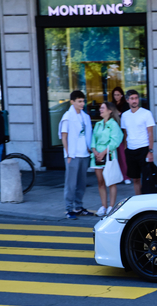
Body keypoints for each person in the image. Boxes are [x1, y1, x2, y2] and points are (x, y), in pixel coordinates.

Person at [59, 90, 93, 220]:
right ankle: (69, 209)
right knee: (71, 184)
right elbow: (64, 136)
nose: (82, 103)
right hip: (73, 155)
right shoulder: (67, 117)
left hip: (84, 154)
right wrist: (68, 154)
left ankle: (78, 207)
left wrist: (89, 149)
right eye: (79, 101)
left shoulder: (85, 116)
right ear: (72, 102)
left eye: (83, 101)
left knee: (81, 183)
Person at [91, 102, 124, 217]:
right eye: (100, 108)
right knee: (100, 182)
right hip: (97, 157)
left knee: (111, 181)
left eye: (103, 108)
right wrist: (95, 151)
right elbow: (93, 139)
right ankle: (103, 206)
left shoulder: (113, 124)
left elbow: (115, 140)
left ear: (110, 111)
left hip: (109, 155)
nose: (100, 110)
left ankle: (111, 206)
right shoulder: (98, 124)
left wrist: (104, 152)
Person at [121, 89, 155, 195]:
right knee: (135, 179)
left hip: (144, 149)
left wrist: (150, 151)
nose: (134, 101)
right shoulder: (125, 115)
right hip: (130, 150)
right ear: (127, 100)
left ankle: (147, 201)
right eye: (132, 99)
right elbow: (125, 133)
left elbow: (150, 133)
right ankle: (138, 199)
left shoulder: (146, 113)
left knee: (147, 178)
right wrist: (125, 148)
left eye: (136, 98)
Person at [111, 86, 130, 185]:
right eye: (114, 95)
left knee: (123, 156)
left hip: (122, 132)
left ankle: (126, 176)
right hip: (112, 132)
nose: (116, 97)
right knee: (114, 156)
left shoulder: (125, 105)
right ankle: (117, 176)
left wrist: (119, 113)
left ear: (122, 95)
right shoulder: (111, 105)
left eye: (118, 95)